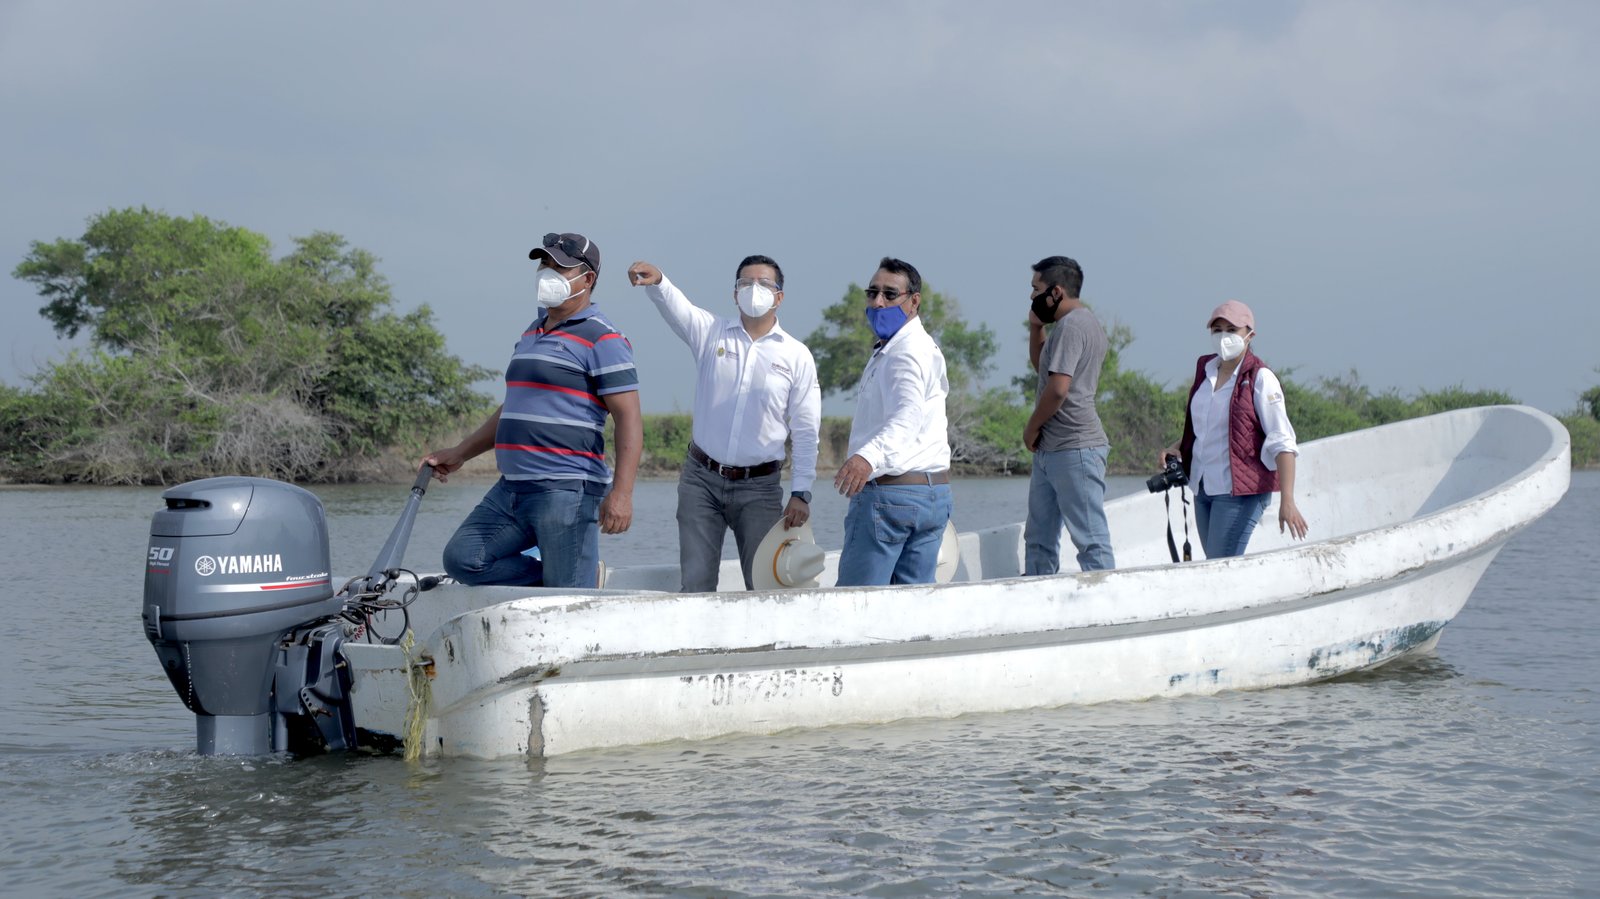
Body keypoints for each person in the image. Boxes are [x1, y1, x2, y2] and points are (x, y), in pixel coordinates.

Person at [424, 232, 642, 588]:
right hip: (512, 488)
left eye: (560, 267)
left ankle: (573, 582)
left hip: (566, 489)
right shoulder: (532, 332)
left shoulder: (604, 338)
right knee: (463, 559)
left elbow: (628, 418)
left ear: (587, 279)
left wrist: (622, 493)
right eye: (545, 264)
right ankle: (570, 579)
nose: (547, 273)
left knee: (567, 601)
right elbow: (514, 406)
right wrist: (460, 452)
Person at [625, 256, 822, 591]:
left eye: (763, 284)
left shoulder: (796, 355)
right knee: (697, 582)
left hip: (759, 487)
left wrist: (801, 491)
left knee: (763, 585)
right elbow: (679, 310)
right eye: (746, 283)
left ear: (780, 297)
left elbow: (805, 430)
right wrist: (659, 281)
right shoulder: (711, 333)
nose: (753, 290)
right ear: (735, 294)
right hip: (701, 481)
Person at [832, 257, 952, 586]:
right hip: (932, 495)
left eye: (889, 294)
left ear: (914, 301)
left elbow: (907, 414)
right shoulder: (918, 347)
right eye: (872, 293)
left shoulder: (906, 352)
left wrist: (866, 457)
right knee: (911, 607)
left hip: (891, 498)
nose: (878, 302)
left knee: (857, 603)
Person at [1159, 300, 1309, 559]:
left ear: (1250, 335)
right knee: (1214, 566)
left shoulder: (1260, 378)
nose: (1223, 337)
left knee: (1220, 566)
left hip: (1239, 492)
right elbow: (1208, 428)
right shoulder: (1206, 373)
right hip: (1203, 487)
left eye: (1232, 329)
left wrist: (1288, 500)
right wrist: (1177, 447)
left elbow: (1282, 441)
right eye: (1217, 330)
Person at [1022, 255, 1116, 573]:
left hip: (1076, 447)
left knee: (1090, 541)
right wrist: (1036, 328)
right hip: (1054, 449)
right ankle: (1039, 606)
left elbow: (1058, 389)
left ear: (1056, 292)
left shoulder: (1074, 326)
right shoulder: (1067, 326)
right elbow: (1044, 373)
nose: (1032, 297)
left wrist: (1031, 427)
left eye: (1037, 289)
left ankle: (1107, 612)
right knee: (1038, 538)